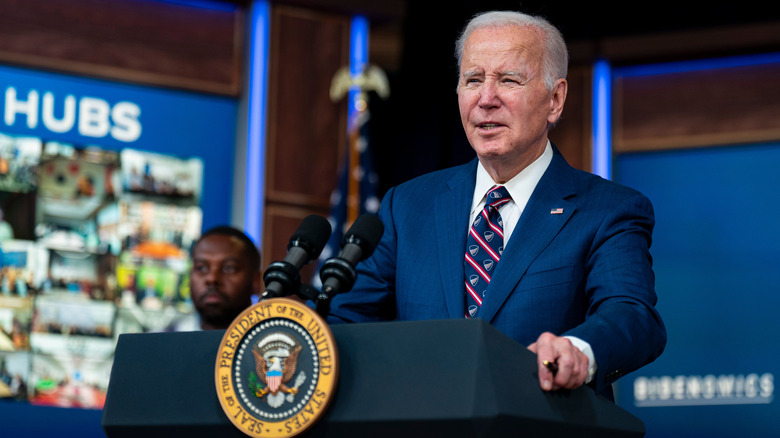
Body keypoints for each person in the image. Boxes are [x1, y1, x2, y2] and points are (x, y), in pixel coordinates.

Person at [324, 10, 666, 400]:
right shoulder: (407, 205)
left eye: (508, 80)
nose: (486, 99)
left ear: (555, 99)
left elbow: (632, 315)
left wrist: (578, 352)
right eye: (473, 80)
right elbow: (347, 320)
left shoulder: (608, 210)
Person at [188, 226, 261, 330]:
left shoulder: (273, 342)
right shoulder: (169, 341)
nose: (212, 279)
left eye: (229, 268)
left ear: (256, 280)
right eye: (201, 268)